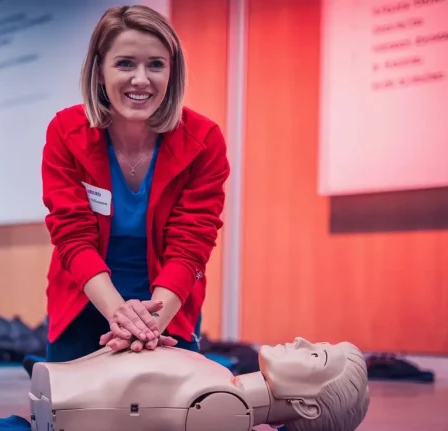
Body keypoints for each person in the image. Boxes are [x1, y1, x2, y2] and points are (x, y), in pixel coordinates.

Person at [41, 5, 230, 362]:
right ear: (99, 70)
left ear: (172, 73)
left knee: (169, 416)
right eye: (125, 63)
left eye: (156, 64)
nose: (141, 79)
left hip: (166, 308)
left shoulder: (204, 141)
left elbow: (191, 244)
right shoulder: (65, 133)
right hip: (85, 301)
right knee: (76, 415)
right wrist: (119, 314)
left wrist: (149, 325)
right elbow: (72, 235)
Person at [29, 337, 370, 431]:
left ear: (306, 406)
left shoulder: (224, 405)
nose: (301, 341)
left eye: (316, 357)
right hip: (60, 383)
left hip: (62, 402)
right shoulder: (221, 379)